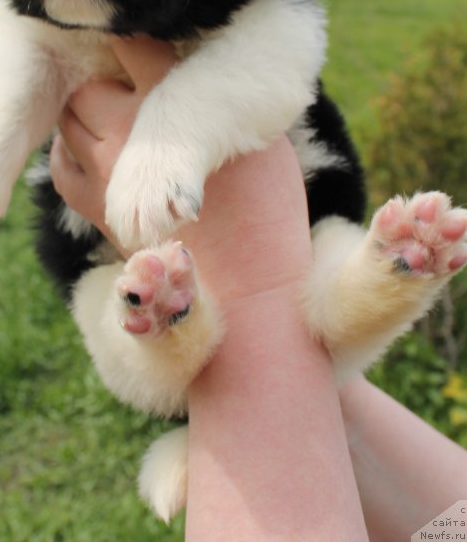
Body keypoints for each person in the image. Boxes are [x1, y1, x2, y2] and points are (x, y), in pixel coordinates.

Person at [49, 35, 467, 541]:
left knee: (325, 246)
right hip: (221, 257)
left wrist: (251, 283)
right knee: (105, 294)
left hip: (302, 230)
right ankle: (178, 320)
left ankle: (174, 319)